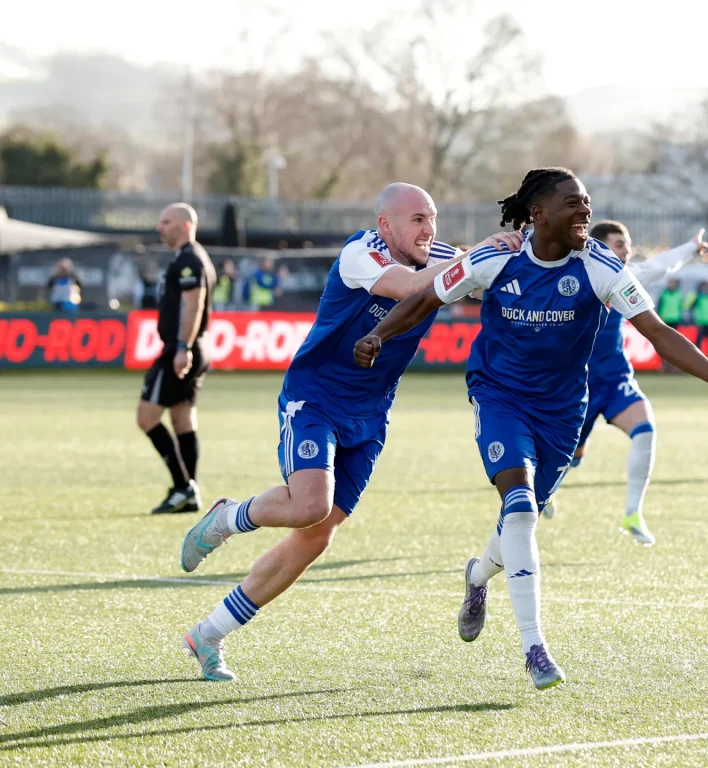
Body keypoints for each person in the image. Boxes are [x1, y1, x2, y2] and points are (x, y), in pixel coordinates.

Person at [354, 168, 708, 690]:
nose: (585, 211)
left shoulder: (600, 267)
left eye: (586, 201)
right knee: (518, 508)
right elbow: (427, 298)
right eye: (573, 203)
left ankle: (477, 576)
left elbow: (656, 331)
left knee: (520, 521)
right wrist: (378, 332)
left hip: (563, 413)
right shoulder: (495, 258)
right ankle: (534, 647)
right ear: (538, 213)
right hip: (499, 397)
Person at [176, 182, 522, 682]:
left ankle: (208, 634)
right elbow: (409, 287)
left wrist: (512, 249)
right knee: (310, 505)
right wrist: (478, 258)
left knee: (316, 538)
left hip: (371, 413)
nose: (430, 229)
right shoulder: (361, 253)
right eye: (417, 220)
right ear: (387, 225)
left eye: (433, 218)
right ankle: (229, 518)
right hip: (314, 397)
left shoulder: (446, 255)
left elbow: (486, 274)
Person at [544, 220, 707, 546]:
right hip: (576, 385)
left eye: (628, 244)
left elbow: (660, 265)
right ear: (601, 246)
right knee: (570, 457)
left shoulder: (628, 276)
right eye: (620, 244)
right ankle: (544, 492)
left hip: (616, 377)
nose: (627, 250)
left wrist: (690, 247)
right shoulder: (575, 275)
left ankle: (633, 513)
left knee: (645, 430)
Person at [137, 204, 216, 514]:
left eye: (166, 221)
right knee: (182, 418)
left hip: (182, 347)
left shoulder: (188, 260)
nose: (160, 227)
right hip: (196, 346)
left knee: (146, 417)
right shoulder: (194, 257)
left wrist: (182, 347)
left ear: (185, 226)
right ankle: (189, 491)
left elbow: (193, 305)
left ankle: (184, 486)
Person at [685, 279, 708, 361]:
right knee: (698, 344)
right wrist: (695, 320)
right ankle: (696, 360)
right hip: (701, 324)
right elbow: (692, 309)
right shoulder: (699, 298)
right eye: (706, 287)